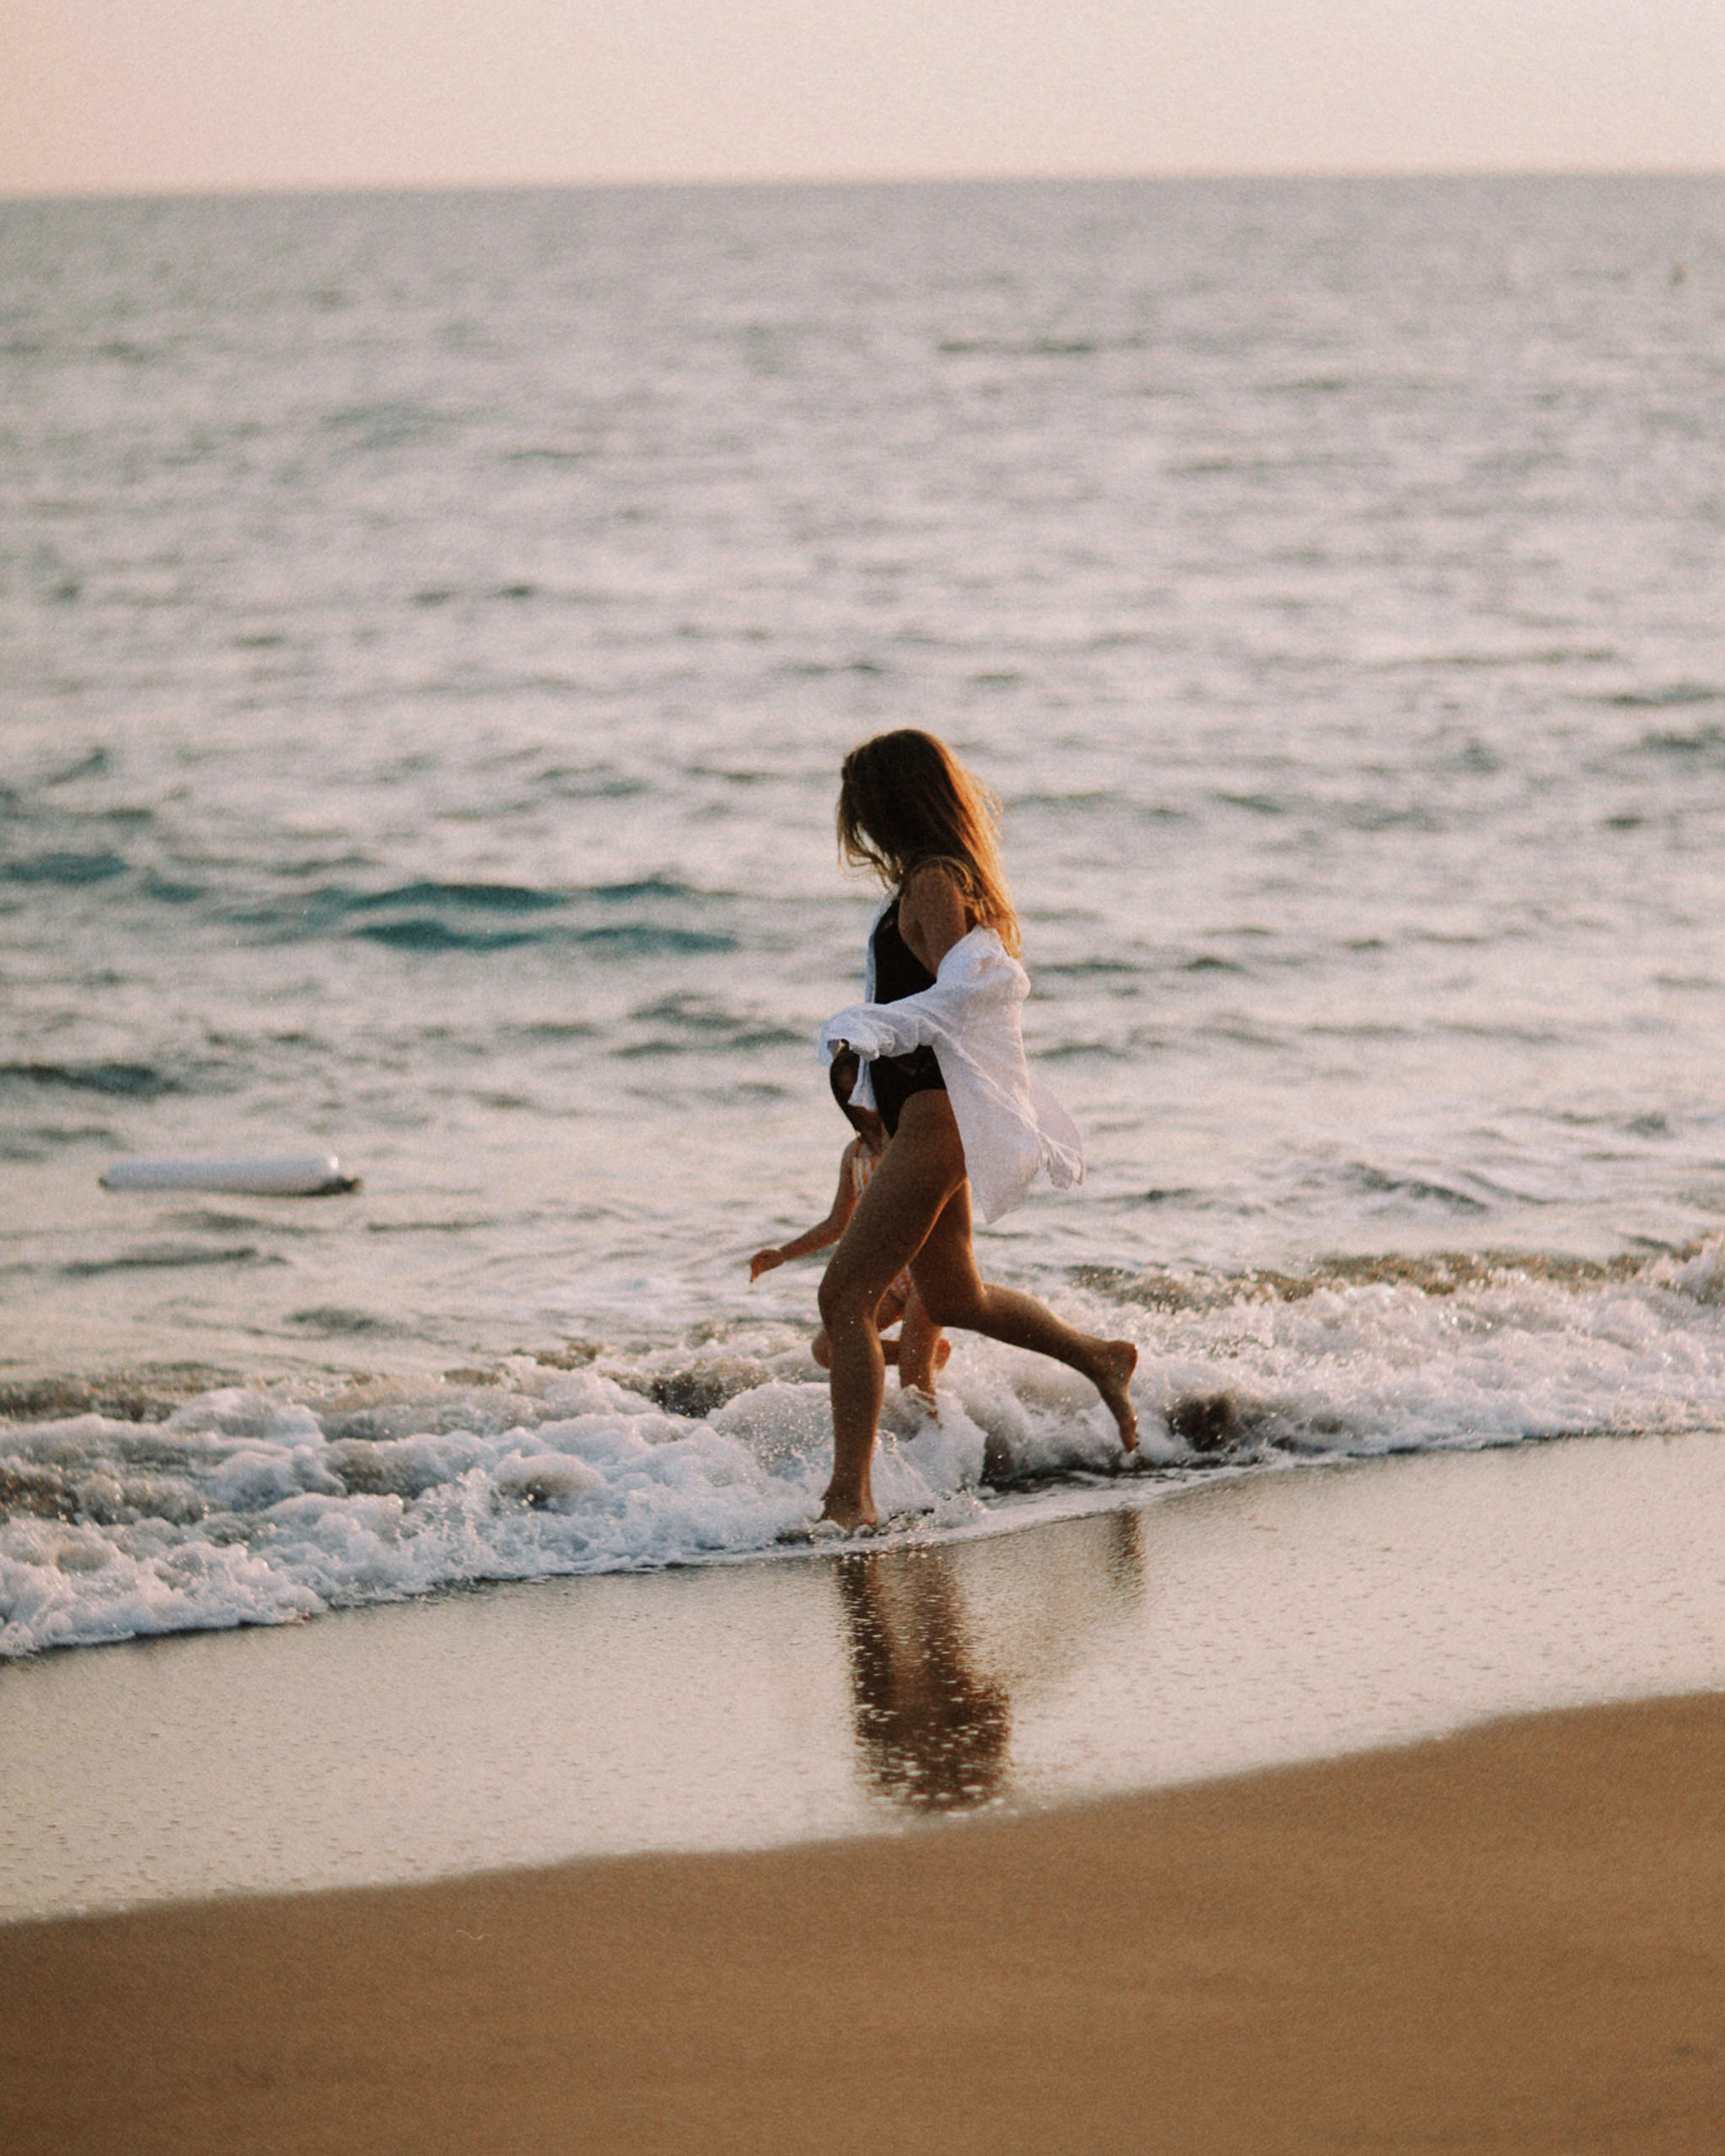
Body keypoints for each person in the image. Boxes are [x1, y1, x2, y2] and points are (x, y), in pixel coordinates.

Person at [814, 729, 1138, 1529]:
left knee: (844, 1297)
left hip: (936, 1119)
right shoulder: (935, 881)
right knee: (955, 1295)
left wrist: (866, 1029)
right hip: (925, 1121)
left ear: (890, 805)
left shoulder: (933, 881)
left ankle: (849, 1500)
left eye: (861, 807)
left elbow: (971, 999)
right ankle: (1099, 1357)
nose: (854, 825)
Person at [747, 1049, 949, 1398]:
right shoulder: (853, 1154)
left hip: (925, 1273)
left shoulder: (908, 1139)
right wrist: (783, 1254)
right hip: (888, 1277)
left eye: (865, 1091)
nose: (861, 1102)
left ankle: (937, 1444)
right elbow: (837, 1223)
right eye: (849, 1094)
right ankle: (923, 1355)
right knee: (828, 1349)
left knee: (914, 1383)